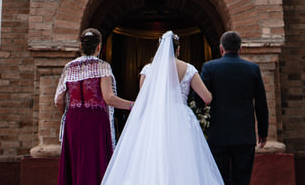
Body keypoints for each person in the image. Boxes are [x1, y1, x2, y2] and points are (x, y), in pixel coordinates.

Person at [100, 30, 223, 185]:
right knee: (182, 160)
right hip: (180, 119)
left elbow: (144, 99)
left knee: (151, 158)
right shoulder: (189, 69)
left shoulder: (148, 69)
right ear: (178, 49)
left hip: (153, 117)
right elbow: (207, 97)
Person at [56, 28, 134, 185]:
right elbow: (109, 98)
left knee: (75, 162)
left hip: (73, 120)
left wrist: (69, 113)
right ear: (99, 47)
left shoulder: (69, 67)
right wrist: (133, 105)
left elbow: (58, 100)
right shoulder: (102, 67)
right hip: (95, 122)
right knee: (93, 163)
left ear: (80, 46)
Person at [200, 31, 268, 185]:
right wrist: (263, 132)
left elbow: (199, 99)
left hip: (218, 133)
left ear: (221, 49)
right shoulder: (252, 69)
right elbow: (261, 102)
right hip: (244, 133)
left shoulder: (210, 68)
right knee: (242, 179)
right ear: (240, 49)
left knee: (218, 178)